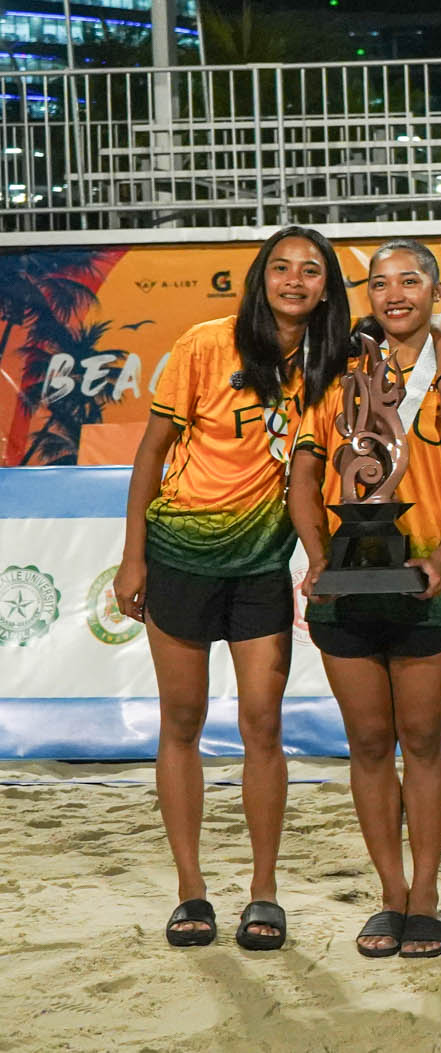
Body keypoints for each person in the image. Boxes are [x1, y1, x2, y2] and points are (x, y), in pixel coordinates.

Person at [114, 225, 353, 951]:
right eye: (281, 267)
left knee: (262, 725)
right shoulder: (204, 344)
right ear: (260, 278)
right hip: (180, 554)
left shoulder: (333, 362)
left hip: (260, 567)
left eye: (310, 270)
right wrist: (132, 558)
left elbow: (437, 335)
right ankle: (190, 889)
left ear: (327, 288)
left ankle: (263, 891)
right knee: (182, 721)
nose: (294, 280)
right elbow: (151, 451)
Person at [287, 239, 441, 960]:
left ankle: (427, 895)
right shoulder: (333, 380)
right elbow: (303, 479)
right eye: (380, 283)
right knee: (370, 744)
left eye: (411, 281)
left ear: (436, 292)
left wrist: (440, 557)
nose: (395, 293)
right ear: (368, 296)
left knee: (425, 741)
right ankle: (390, 893)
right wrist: (318, 557)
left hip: (424, 586)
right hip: (342, 591)